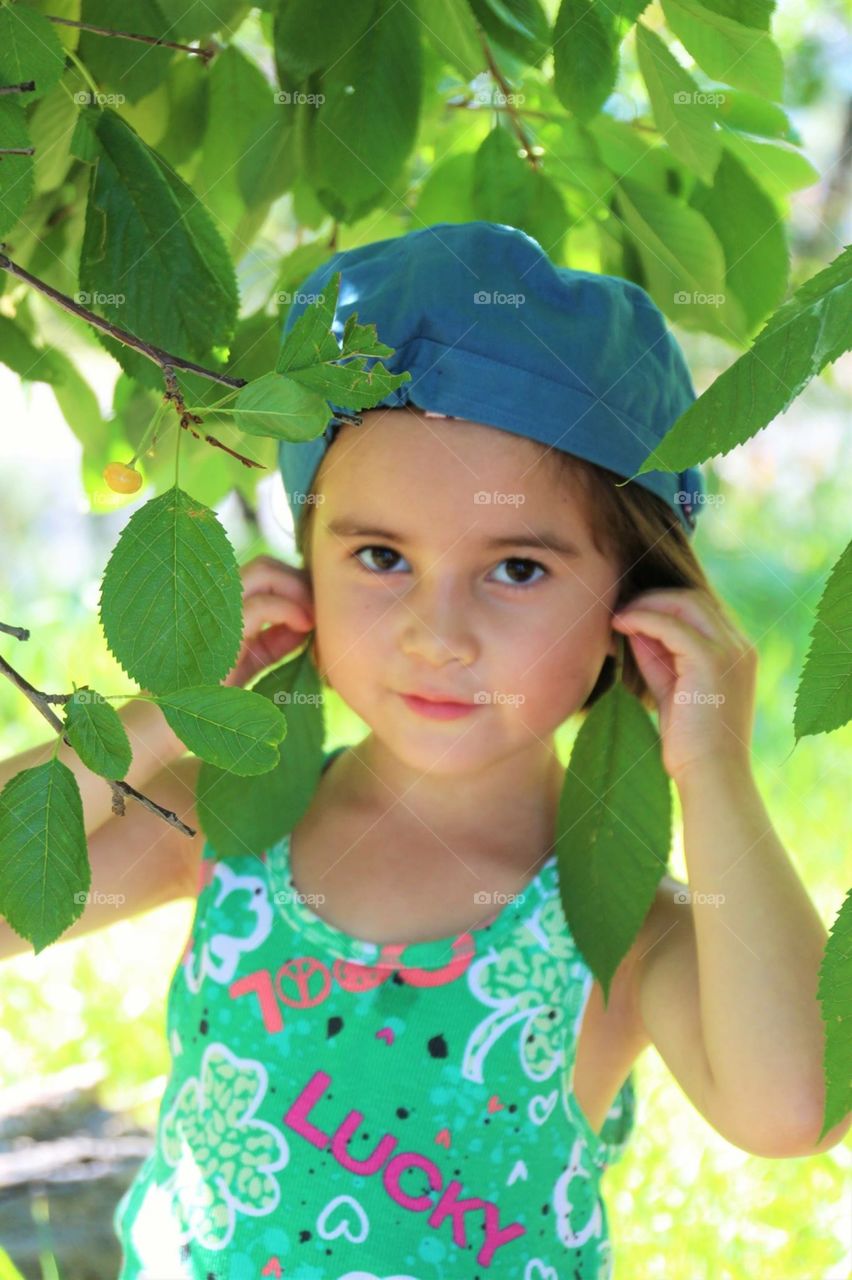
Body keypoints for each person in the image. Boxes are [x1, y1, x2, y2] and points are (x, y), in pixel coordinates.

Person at [1, 222, 846, 1279]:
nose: (437, 633)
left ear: (637, 599)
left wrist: (714, 772)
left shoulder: (619, 919)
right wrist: (166, 716)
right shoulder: (228, 821)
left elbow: (797, 1106)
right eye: (382, 554)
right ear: (305, 557)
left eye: (520, 569)